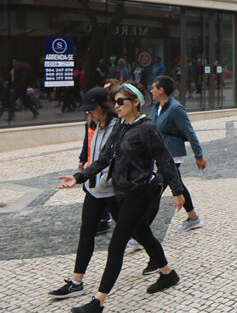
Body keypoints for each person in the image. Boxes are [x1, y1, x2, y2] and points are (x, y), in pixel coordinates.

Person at [55, 81, 185, 313]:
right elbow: (104, 159)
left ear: (136, 102)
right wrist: (79, 177)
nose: (116, 105)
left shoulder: (147, 128)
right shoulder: (121, 126)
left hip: (140, 192)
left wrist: (177, 191)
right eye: (114, 102)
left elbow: (164, 159)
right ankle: (168, 274)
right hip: (122, 193)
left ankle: (98, 302)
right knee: (144, 234)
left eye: (121, 101)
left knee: (116, 245)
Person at [48, 88, 123, 300]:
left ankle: (163, 267)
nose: (89, 113)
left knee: (137, 231)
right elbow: (93, 156)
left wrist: (85, 176)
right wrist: (82, 175)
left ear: (102, 106)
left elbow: (107, 160)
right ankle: (76, 282)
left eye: (92, 109)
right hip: (94, 190)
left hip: (113, 191)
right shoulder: (95, 125)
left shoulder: (117, 127)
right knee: (86, 232)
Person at [147, 76, 206, 236]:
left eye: (153, 87)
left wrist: (198, 155)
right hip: (160, 154)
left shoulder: (175, 109)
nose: (151, 90)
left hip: (172, 155)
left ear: (161, 90)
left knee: (155, 190)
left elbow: (189, 132)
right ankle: (193, 218)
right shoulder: (155, 107)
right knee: (177, 182)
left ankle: (141, 234)